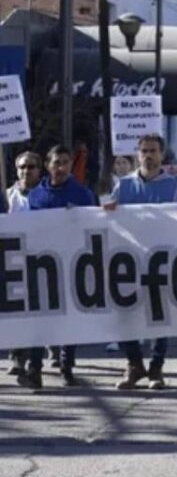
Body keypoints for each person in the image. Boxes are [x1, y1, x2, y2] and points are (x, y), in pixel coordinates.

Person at [104, 134, 177, 391]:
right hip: (127, 262)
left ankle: (156, 369)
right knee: (127, 316)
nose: (148, 156)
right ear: (137, 155)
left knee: (159, 318)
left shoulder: (174, 187)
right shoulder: (123, 186)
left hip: (160, 263)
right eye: (144, 151)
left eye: (153, 151)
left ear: (162, 154)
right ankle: (134, 365)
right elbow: (109, 220)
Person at [17, 145, 96, 390]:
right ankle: (35, 368)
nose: (60, 167)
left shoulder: (82, 194)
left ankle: (66, 366)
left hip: (72, 264)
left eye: (65, 162)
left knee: (68, 319)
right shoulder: (36, 196)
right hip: (42, 266)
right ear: (48, 166)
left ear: (70, 165)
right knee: (40, 320)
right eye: (56, 163)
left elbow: (94, 225)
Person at [5, 151, 42, 376]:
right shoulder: (7, 196)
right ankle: (18, 357)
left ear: (40, 170)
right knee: (17, 313)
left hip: (42, 260)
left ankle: (52, 349)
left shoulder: (45, 195)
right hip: (14, 262)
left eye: (31, 167)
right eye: (22, 167)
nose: (26, 171)